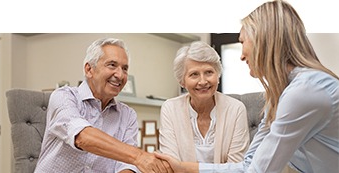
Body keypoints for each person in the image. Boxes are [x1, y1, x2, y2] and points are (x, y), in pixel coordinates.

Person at [155, 0, 339, 173]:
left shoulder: (304, 92)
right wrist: (184, 167)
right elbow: (249, 165)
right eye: (194, 74)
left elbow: (258, 171)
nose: (242, 55)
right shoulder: (280, 96)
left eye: (243, 41)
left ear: (263, 40)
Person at [34, 38, 171, 173]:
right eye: (112, 65)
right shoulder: (63, 96)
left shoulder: (128, 115)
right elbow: (82, 137)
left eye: (124, 68)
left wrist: (134, 163)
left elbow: (125, 165)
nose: (120, 75)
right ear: (89, 69)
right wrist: (139, 156)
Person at [159, 41, 250, 164]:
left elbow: (236, 167)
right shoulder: (170, 108)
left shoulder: (236, 109)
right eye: (194, 74)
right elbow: (171, 163)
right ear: (182, 81)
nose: (202, 81)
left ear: (218, 76)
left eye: (209, 72)